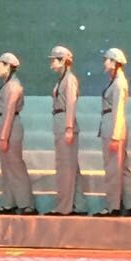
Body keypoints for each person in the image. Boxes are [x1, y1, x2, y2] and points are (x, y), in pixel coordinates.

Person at [94, 47, 131, 216]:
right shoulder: (115, 81)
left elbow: (118, 110)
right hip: (110, 123)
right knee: (120, 168)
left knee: (112, 169)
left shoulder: (119, 83)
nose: (105, 62)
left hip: (113, 126)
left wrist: (115, 136)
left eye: (107, 59)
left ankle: (113, 206)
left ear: (114, 62)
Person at [0, 52, 35, 215]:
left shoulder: (13, 86)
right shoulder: (7, 85)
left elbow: (9, 112)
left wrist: (4, 136)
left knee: (15, 166)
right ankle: (9, 203)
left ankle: (26, 204)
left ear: (8, 66)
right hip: (3, 125)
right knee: (7, 167)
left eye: (0, 64)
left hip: (10, 128)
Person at [45, 45, 85, 216]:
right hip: (60, 122)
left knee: (65, 167)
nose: (52, 63)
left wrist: (68, 127)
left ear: (63, 61)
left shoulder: (69, 79)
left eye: (54, 60)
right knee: (70, 167)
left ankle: (63, 207)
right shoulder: (63, 79)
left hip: (65, 124)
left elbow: (71, 104)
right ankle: (78, 205)